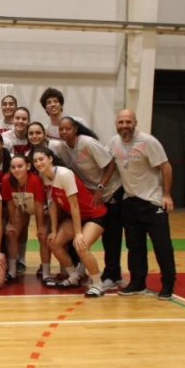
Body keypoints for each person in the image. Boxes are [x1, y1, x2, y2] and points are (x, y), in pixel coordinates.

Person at [109, 109, 177, 299]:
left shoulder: (148, 142)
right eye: (121, 122)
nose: (124, 126)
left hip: (152, 202)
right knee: (134, 247)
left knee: (162, 246)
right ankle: (137, 283)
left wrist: (167, 195)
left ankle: (168, 285)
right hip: (130, 202)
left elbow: (165, 166)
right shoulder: (114, 142)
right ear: (116, 124)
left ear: (135, 123)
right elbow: (111, 166)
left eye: (128, 122)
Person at [58, 116, 124, 292]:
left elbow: (111, 165)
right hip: (91, 196)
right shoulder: (64, 149)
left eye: (67, 129)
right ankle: (82, 269)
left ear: (75, 130)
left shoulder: (88, 144)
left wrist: (101, 187)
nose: (64, 132)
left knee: (111, 235)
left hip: (110, 190)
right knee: (86, 235)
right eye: (61, 129)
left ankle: (112, 275)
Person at [31, 147, 107, 297]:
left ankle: (98, 284)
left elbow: (74, 205)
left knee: (81, 246)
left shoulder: (65, 174)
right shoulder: (44, 175)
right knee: (53, 241)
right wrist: (53, 229)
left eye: (41, 159)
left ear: (50, 159)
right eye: (35, 161)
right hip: (76, 217)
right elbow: (52, 203)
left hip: (94, 215)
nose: (38, 163)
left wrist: (78, 233)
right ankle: (74, 276)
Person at [1, 154, 49, 283]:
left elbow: (39, 206)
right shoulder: (6, 180)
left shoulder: (35, 180)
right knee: (11, 233)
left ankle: (46, 273)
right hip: (21, 208)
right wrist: (11, 223)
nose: (16, 169)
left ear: (28, 166)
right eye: (13, 167)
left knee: (42, 235)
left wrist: (41, 227)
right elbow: (10, 203)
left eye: (20, 166)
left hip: (43, 210)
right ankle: (12, 271)